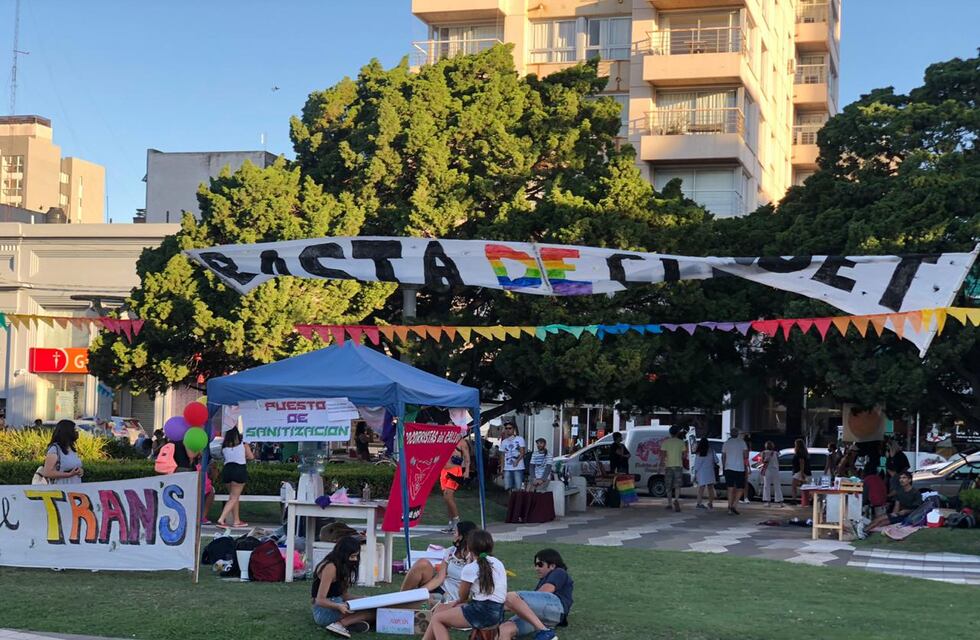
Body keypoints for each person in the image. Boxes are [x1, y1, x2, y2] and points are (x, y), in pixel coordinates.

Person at [423, 529, 507, 640]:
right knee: (440, 609)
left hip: (482, 611)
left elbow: (462, 597)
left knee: (438, 619)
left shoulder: (471, 567)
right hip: (498, 612)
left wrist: (468, 563)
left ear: (469, 547)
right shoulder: (498, 563)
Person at [498, 549, 569, 640]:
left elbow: (546, 591)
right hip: (543, 618)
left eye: (540, 565)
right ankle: (544, 630)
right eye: (535, 565)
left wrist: (515, 604)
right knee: (503, 630)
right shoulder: (543, 580)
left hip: (555, 607)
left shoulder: (559, 572)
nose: (536, 568)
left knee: (509, 597)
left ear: (552, 565)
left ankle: (545, 632)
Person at [401, 520, 477, 605]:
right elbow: (439, 578)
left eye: (455, 532)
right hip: (441, 590)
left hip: (454, 598)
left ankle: (410, 606)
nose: (453, 534)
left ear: (461, 536)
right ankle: (402, 597)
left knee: (424, 603)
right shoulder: (450, 551)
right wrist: (419, 592)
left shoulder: (475, 557)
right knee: (423, 563)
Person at [311, 536, 373, 637]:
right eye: (352, 556)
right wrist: (338, 606)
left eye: (356, 556)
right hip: (324, 610)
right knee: (369, 613)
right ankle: (339, 624)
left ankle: (349, 623)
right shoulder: (330, 567)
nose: (355, 559)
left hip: (339, 603)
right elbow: (320, 600)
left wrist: (364, 599)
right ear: (343, 554)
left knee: (374, 610)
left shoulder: (343, 567)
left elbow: (344, 595)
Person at [216, 427, 253, 529]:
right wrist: (243, 456)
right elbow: (251, 457)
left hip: (227, 470)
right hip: (239, 469)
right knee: (234, 497)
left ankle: (236, 520)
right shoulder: (244, 445)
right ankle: (222, 518)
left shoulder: (224, 447)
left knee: (233, 497)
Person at [440, 432, 471, 533]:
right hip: (444, 470)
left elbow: (467, 458)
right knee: (446, 497)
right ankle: (451, 522)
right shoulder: (445, 439)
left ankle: (457, 522)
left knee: (448, 495)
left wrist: (466, 471)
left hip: (454, 470)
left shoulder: (461, 442)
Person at [41, 419, 84, 484]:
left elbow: (75, 466)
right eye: (74, 430)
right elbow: (47, 472)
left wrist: (80, 471)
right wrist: (69, 474)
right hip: (61, 487)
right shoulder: (54, 449)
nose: (77, 432)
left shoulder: (72, 448)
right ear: (67, 431)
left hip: (75, 488)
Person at [658, 425, 687, 512]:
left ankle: (669, 503)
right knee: (677, 485)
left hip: (668, 466)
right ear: (678, 433)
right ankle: (676, 500)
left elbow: (662, 456)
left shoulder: (665, 442)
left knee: (668, 486)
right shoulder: (681, 442)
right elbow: (684, 455)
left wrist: (660, 467)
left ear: (670, 433)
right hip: (678, 466)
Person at [721, 428, 749, 515]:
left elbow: (723, 456)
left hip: (728, 468)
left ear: (730, 434)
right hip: (739, 468)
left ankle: (729, 507)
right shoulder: (742, 442)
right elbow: (746, 455)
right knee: (740, 488)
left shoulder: (726, 443)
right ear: (737, 434)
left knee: (730, 488)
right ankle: (734, 505)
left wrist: (724, 466)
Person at [498, 422, 526, 492]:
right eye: (506, 428)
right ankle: (511, 501)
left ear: (514, 429)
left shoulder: (520, 439)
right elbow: (503, 455)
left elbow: (522, 452)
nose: (508, 430)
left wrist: (517, 461)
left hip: (518, 467)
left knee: (518, 487)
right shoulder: (504, 442)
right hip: (507, 468)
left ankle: (518, 502)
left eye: (510, 428)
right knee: (508, 487)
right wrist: (502, 468)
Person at [692, 436, 716, 510]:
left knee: (701, 489)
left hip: (701, 473)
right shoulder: (711, 451)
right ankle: (710, 503)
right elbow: (716, 460)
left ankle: (699, 503)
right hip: (710, 471)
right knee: (710, 488)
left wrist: (695, 474)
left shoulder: (699, 453)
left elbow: (697, 465)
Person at [759, 440, 783, 507]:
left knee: (767, 486)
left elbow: (762, 462)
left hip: (767, 471)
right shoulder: (776, 453)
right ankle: (780, 502)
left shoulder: (763, 453)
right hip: (775, 471)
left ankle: (768, 502)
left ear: (766, 446)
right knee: (777, 486)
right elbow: (778, 462)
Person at [739, 433, 753, 504]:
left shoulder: (741, 446)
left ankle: (741, 497)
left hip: (740, 464)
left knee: (740, 482)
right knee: (745, 482)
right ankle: (744, 497)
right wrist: (749, 467)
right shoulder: (745, 448)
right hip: (743, 465)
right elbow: (746, 458)